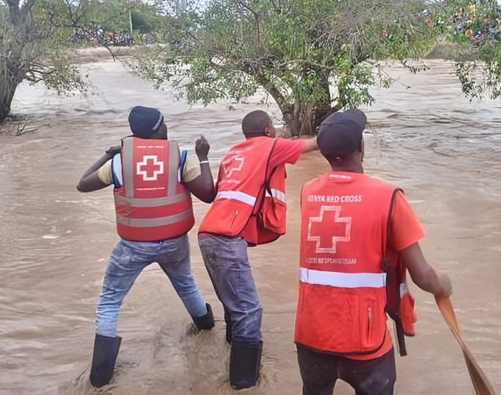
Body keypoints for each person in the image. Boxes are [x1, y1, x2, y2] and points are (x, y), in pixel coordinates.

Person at [294, 109, 453, 395]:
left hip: (310, 332)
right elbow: (423, 276)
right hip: (363, 341)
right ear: (361, 149)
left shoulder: (308, 191)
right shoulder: (389, 197)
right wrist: (444, 285)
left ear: (325, 154)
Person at [75, 106, 218, 388]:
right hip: (174, 242)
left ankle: (99, 378)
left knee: (109, 300)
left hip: (133, 246)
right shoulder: (180, 157)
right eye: (164, 123)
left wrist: (109, 153)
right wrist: (203, 158)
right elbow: (208, 194)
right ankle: (207, 328)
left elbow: (82, 185)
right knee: (186, 284)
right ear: (157, 128)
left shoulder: (119, 162)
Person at [197, 110, 319, 389]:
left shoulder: (232, 153)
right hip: (228, 238)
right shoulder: (271, 146)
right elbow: (316, 144)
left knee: (235, 306)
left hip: (208, 234)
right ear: (267, 131)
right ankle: (243, 383)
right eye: (274, 128)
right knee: (249, 312)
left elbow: (214, 194)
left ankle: (233, 359)